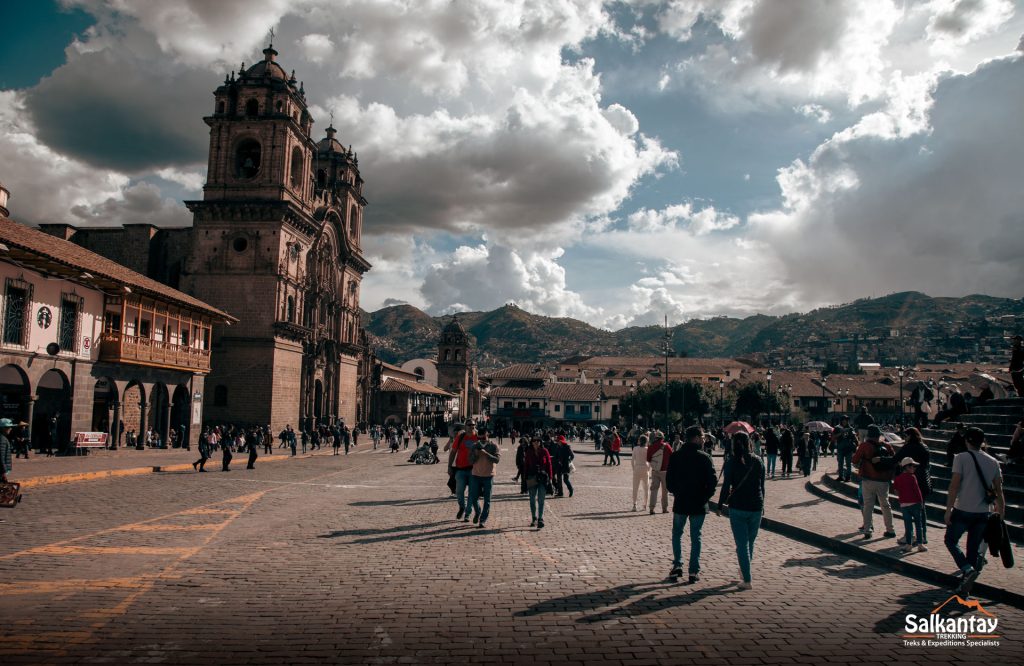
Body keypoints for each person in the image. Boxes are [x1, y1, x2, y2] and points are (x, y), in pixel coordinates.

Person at [944, 427, 1005, 596]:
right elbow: (999, 490)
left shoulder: (961, 458)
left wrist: (948, 509)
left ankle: (967, 569)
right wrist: (1001, 510)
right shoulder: (993, 461)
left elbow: (954, 485)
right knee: (973, 548)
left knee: (950, 540)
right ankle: (965, 588)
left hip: (963, 508)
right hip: (983, 512)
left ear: (968, 441)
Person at [665, 426, 717, 583]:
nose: (703, 439)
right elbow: (712, 482)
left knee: (677, 533)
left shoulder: (676, 456)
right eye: (701, 437)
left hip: (681, 501)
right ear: (695, 438)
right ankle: (693, 570)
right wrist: (706, 496)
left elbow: (669, 481)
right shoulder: (705, 457)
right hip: (699, 503)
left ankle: (677, 565)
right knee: (696, 536)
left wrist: (677, 491)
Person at [717, 432, 766, 590]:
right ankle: (745, 570)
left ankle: (747, 579)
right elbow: (762, 486)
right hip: (756, 506)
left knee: (742, 544)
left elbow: (726, 486)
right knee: (749, 543)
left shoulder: (731, 462)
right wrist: (762, 504)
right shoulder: (758, 461)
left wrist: (719, 504)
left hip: (738, 506)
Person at [852, 425, 897, 539]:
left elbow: (855, 460)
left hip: (868, 479)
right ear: (879, 435)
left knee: (868, 505)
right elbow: (894, 460)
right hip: (884, 480)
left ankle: (867, 530)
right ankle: (890, 529)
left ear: (868, 435)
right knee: (885, 505)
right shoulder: (887, 445)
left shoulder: (864, 446)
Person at [467, 430, 500, 528]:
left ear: (487, 435)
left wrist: (486, 453)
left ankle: (482, 520)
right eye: (479, 438)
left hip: (488, 475)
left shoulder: (493, 446)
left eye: (483, 438)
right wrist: (476, 454)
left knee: (487, 500)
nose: (481, 440)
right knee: (473, 498)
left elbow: (497, 460)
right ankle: (478, 512)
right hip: (475, 475)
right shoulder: (474, 445)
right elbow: (470, 461)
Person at [893, 457, 927, 553]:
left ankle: (908, 545)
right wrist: (921, 503)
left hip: (904, 505)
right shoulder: (912, 477)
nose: (914, 468)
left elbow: (896, 492)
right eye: (913, 466)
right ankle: (920, 544)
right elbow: (917, 491)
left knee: (908, 526)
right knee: (918, 525)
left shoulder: (898, 478)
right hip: (915, 503)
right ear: (907, 467)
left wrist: (903, 495)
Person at [893, 427, 932, 506]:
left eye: (905, 436)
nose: (904, 438)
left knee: (910, 507)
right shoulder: (924, 446)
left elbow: (894, 459)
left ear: (910, 436)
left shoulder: (908, 447)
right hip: (924, 479)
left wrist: (880, 459)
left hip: (912, 480)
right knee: (921, 507)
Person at [524, 436, 553, 528]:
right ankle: (534, 518)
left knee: (541, 499)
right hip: (532, 477)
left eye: (537, 441)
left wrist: (551, 477)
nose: (536, 442)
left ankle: (540, 518)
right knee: (532, 499)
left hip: (543, 477)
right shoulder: (529, 452)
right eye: (534, 441)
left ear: (540, 442)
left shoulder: (545, 451)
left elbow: (549, 464)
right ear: (531, 442)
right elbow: (526, 466)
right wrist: (524, 478)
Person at [450, 424, 476, 520]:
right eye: (469, 424)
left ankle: (467, 513)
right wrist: (449, 466)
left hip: (474, 470)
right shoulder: (460, 437)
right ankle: (462, 506)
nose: (471, 426)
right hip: (460, 469)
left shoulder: (477, 437)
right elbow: (453, 452)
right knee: (459, 491)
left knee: (472, 493)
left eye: (472, 425)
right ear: (466, 427)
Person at [646, 431, 672, 514]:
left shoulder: (651, 446)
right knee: (665, 491)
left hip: (655, 471)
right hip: (665, 471)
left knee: (654, 490)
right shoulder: (667, 446)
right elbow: (672, 457)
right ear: (662, 438)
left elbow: (648, 459)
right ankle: (664, 508)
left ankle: (651, 508)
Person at [832, 415, 858, 483]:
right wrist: (841, 433)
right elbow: (834, 437)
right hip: (840, 448)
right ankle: (841, 476)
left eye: (846, 420)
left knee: (848, 464)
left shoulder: (850, 428)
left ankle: (848, 477)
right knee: (840, 463)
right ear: (841, 421)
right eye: (843, 420)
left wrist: (855, 441)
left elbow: (854, 437)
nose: (844, 421)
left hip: (848, 448)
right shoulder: (837, 428)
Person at [631, 434, 650, 511]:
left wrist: (634, 469)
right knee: (646, 488)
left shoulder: (635, 448)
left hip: (637, 467)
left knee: (635, 488)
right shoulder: (647, 449)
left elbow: (632, 461)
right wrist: (649, 469)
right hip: (645, 467)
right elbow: (650, 461)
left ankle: (634, 505)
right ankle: (645, 505)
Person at [0, 418, 14, 483]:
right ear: (3, 428)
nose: (11, 428)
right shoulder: (2, 439)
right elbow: (1, 457)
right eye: (8, 427)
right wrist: (3, 472)